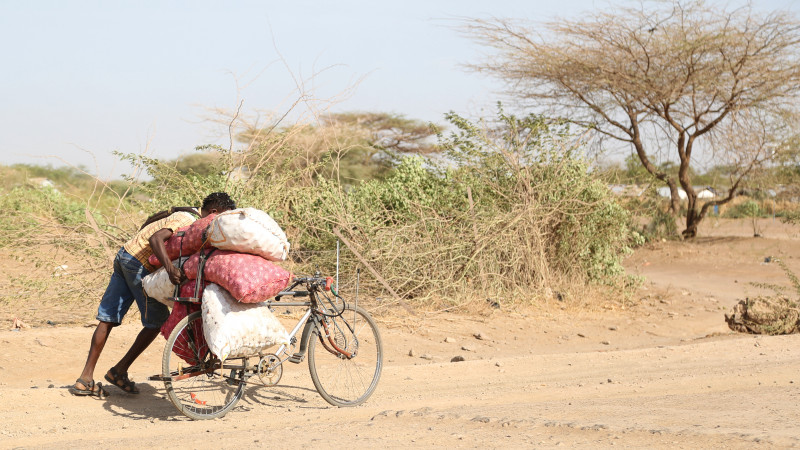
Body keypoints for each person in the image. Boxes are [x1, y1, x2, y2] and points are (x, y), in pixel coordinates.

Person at [69, 192, 237, 397]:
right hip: (138, 264)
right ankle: (119, 371)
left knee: (108, 319)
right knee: (157, 322)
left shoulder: (184, 212)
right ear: (213, 212)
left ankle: (85, 379)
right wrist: (169, 269)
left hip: (125, 254)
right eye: (221, 217)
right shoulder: (188, 219)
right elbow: (156, 238)